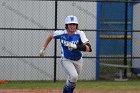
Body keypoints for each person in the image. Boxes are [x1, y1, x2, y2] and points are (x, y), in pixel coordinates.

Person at [39, 15, 92, 93]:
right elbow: (50, 36)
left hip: (78, 60)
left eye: (74, 24)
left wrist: (76, 46)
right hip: (66, 59)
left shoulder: (80, 34)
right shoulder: (62, 33)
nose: (72, 26)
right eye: (70, 24)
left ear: (76, 25)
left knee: (73, 79)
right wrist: (43, 48)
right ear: (66, 25)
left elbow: (89, 48)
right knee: (74, 76)